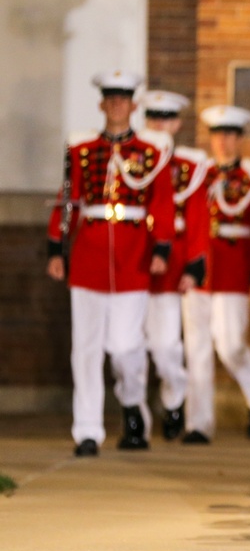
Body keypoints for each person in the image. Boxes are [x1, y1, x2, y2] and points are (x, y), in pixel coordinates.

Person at [46, 70, 174, 455]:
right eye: (110, 98)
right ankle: (87, 431)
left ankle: (132, 401)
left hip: (133, 254)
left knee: (124, 345)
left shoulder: (152, 152)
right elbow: (68, 199)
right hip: (89, 253)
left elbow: (162, 201)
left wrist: (161, 248)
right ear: (102, 104)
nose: (117, 105)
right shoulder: (81, 150)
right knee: (85, 348)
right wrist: (57, 247)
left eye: (124, 99)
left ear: (134, 105)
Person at [182, 105, 250, 443]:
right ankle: (198, 424)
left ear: (240, 138)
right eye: (218, 135)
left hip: (234, 269)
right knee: (197, 349)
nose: (224, 142)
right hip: (200, 270)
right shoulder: (198, 174)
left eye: (231, 135)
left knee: (230, 344)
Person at [141, 90, 211, 440]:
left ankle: (175, 399)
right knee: (144, 346)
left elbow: (198, 217)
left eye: (166, 118)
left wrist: (195, 264)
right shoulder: (135, 159)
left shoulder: (190, 164)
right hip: (139, 263)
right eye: (153, 117)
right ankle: (149, 415)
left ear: (177, 123)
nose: (159, 125)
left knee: (166, 345)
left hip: (175, 265)